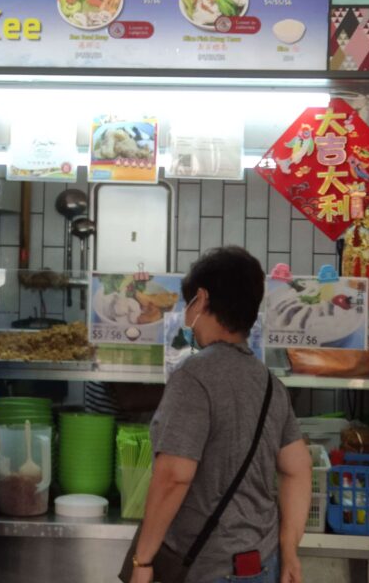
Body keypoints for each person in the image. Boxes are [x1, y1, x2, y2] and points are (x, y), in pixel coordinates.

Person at [129, 247, 311, 583]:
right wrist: (289, 549)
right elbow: (298, 468)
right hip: (263, 563)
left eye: (188, 306)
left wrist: (143, 561)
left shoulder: (193, 376)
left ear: (201, 299)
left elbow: (174, 476)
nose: (186, 318)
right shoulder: (270, 383)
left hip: (206, 568)